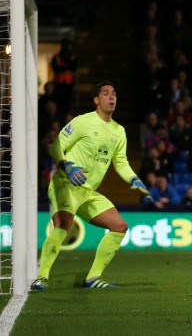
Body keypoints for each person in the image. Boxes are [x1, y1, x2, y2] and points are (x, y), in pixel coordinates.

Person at [31, 81, 152, 290]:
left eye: (114, 93)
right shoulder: (83, 122)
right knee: (63, 225)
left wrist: (134, 179)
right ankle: (42, 278)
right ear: (96, 100)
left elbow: (121, 163)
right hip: (65, 184)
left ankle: (93, 278)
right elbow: (56, 147)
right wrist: (68, 166)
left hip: (87, 191)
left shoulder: (118, 131)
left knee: (120, 226)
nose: (111, 97)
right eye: (106, 93)